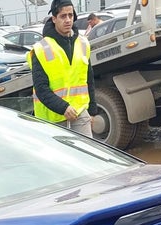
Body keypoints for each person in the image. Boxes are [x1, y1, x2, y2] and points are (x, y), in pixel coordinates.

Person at [27, 0, 97, 137]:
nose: (68, 20)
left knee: (86, 154)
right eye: (63, 16)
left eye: (70, 15)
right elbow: (41, 88)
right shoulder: (41, 49)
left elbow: (89, 79)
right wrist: (63, 107)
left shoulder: (83, 43)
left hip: (79, 110)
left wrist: (93, 111)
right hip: (52, 117)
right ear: (54, 19)